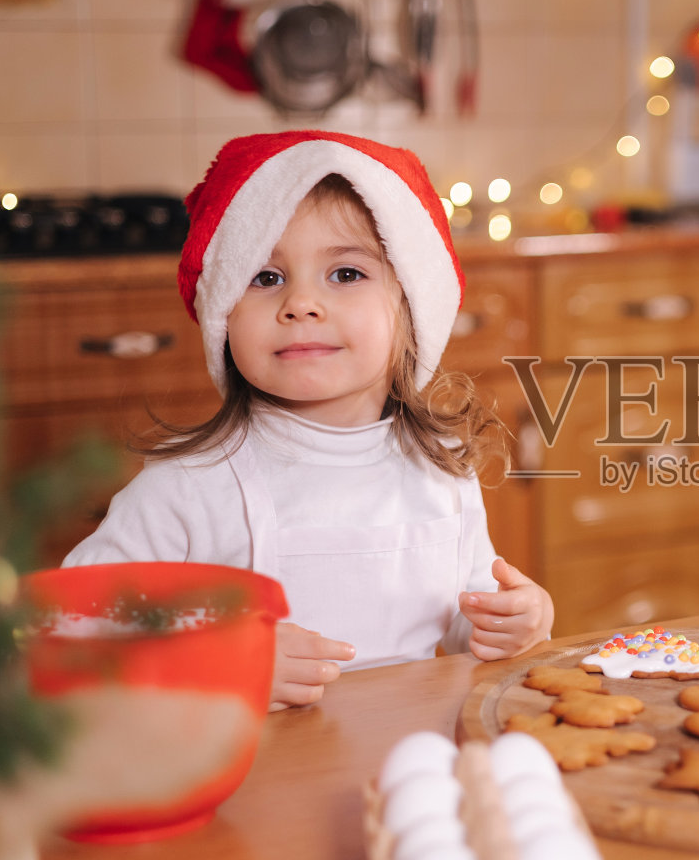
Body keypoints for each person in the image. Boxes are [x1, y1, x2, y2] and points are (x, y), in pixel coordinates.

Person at [64, 131, 553, 709]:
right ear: (224, 316)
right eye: (266, 278)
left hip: (405, 771)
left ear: (411, 308)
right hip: (255, 784)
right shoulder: (187, 488)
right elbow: (71, 626)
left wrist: (516, 622)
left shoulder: (441, 469)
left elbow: (464, 618)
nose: (301, 303)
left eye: (345, 274)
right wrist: (219, 661)